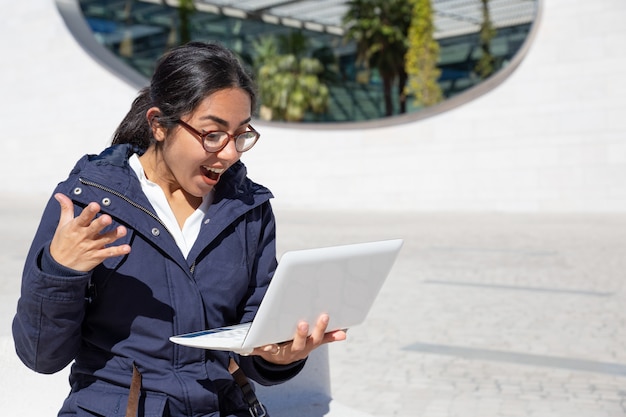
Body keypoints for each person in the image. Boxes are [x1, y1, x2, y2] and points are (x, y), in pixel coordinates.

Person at [12, 42, 346, 417]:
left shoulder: (248, 209)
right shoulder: (86, 204)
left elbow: (255, 342)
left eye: (241, 135)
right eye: (212, 134)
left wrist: (279, 355)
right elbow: (41, 355)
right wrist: (61, 270)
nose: (231, 153)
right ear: (158, 124)